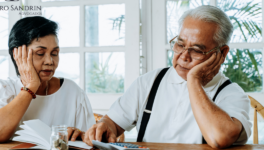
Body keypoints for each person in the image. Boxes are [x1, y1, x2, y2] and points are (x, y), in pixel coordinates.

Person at [84, 5, 252, 148]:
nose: (183, 56)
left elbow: (219, 138)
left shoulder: (233, 95)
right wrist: (103, 127)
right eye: (180, 44)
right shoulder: (149, 82)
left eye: (197, 50)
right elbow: (112, 123)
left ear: (222, 53)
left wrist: (193, 81)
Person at [0, 16, 95, 143]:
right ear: (17, 55)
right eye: (40, 53)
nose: (50, 61)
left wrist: (80, 135)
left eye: (54, 53)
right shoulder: (2, 89)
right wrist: (31, 86)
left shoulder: (73, 92)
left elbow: (90, 140)